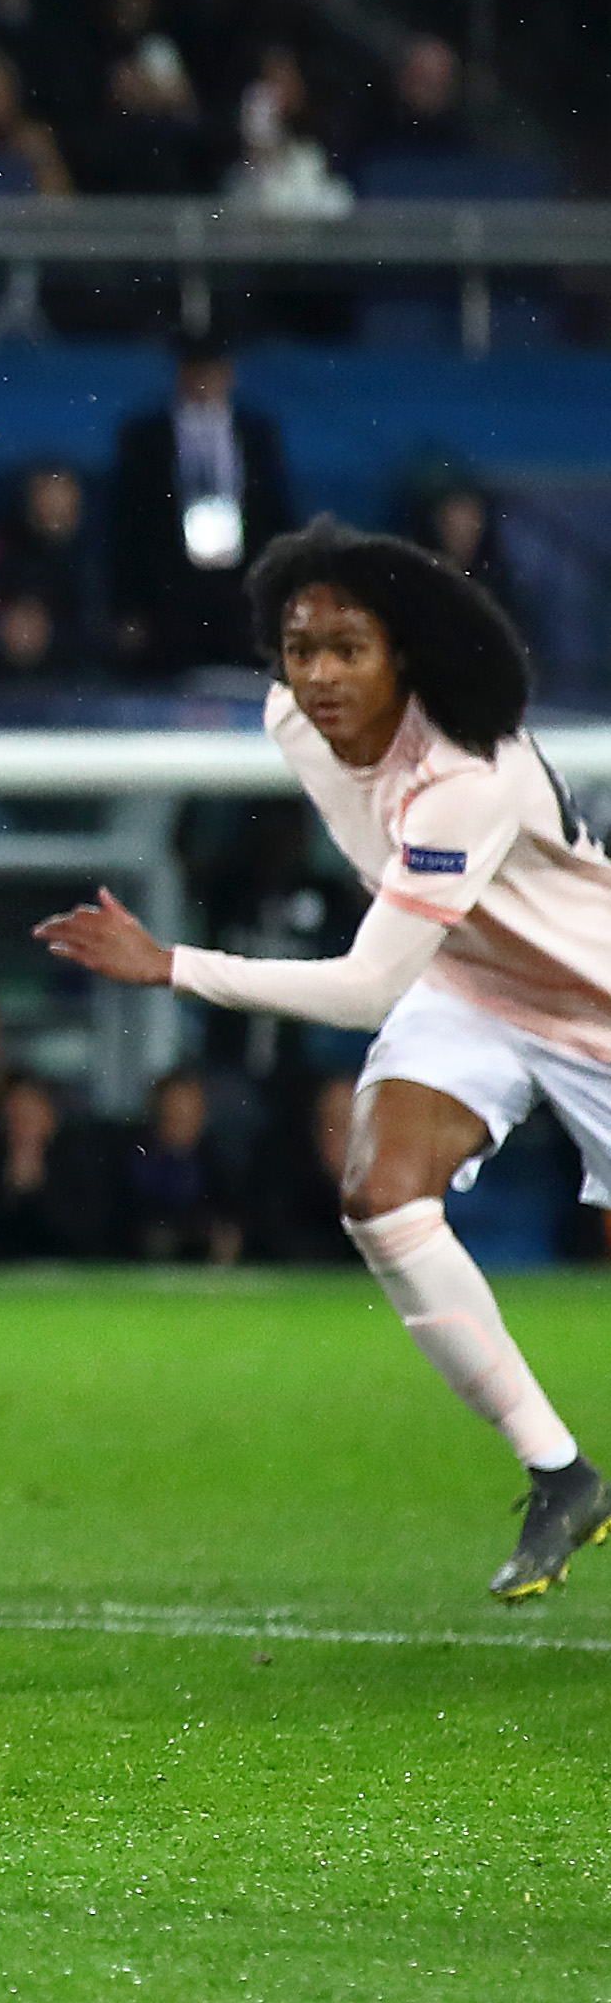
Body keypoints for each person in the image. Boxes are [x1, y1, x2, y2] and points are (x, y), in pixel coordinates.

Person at [43, 521, 611, 1602]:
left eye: (348, 648)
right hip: (466, 982)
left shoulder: (466, 773)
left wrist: (173, 967)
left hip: (593, 1008)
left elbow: (363, 990)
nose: (317, 675)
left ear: (406, 653)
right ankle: (560, 1473)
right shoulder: (286, 721)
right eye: (299, 649)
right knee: (380, 1196)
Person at [108, 333, 292, 674]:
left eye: (213, 372)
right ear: (181, 375)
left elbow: (276, 513)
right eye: (196, 372)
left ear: (229, 374)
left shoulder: (257, 432)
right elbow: (127, 525)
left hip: (240, 590)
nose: (204, 383)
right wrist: (128, 608)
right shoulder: (146, 435)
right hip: (171, 595)